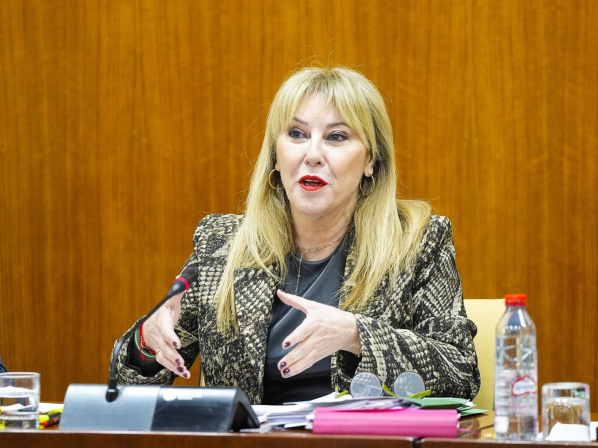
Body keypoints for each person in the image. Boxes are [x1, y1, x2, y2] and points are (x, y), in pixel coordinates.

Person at [115, 66, 480, 405]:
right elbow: (124, 387)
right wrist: (146, 342)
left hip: (361, 442)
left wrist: (356, 335)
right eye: (297, 134)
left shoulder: (416, 242)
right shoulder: (222, 245)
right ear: (276, 156)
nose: (312, 154)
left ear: (371, 160)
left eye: (336, 137)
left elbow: (461, 372)